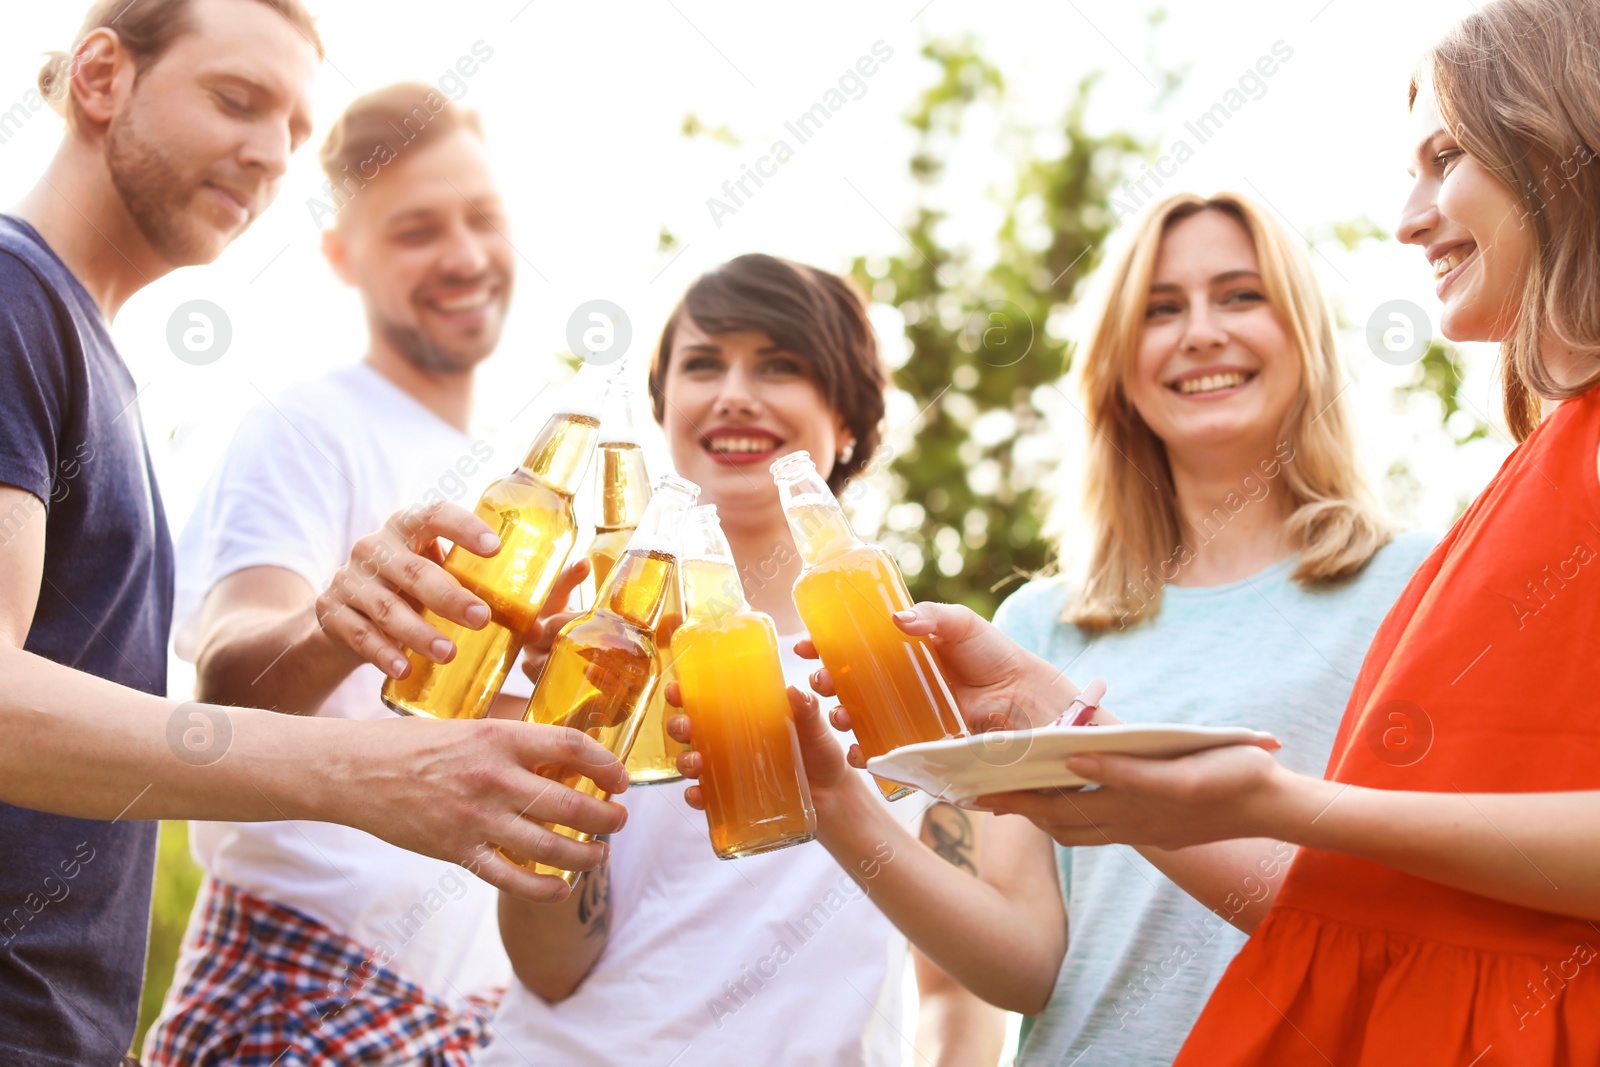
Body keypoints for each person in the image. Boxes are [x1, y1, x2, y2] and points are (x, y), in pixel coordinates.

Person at [874, 1, 1600, 1063]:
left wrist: (1283, 800)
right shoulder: (1538, 467)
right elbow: (1352, 908)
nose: (1406, 217)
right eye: (1160, 309)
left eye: (1444, 153)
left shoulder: (1434, 558)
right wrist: (1046, 712)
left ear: (1555, 137)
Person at [668, 196, 1436, 1064]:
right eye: (1160, 309)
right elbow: (1025, 967)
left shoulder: (1422, 583)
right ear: (1116, 366)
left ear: (1306, 335)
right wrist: (840, 803)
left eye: (1240, 296)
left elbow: (1433, 902)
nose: (1200, 333)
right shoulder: (1037, 626)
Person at [0, 5, 624, 1063]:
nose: (271, 153)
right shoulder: (16, 297)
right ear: (101, 78)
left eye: (292, 126)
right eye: (238, 101)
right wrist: (377, 766)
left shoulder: (85, 350)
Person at [142, 84, 583, 1066]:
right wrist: (330, 627)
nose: (464, 256)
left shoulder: (521, 480)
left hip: (468, 1013)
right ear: (343, 255)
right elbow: (220, 686)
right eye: (418, 229)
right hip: (302, 987)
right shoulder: (307, 428)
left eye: (482, 218)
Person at [479, 254, 1006, 1066]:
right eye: (702, 363)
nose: (733, 390)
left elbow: (957, 984)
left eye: (780, 365)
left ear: (850, 424)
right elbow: (551, 966)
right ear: (662, 412)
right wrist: (571, 735)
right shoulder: (590, 643)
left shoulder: (919, 660)